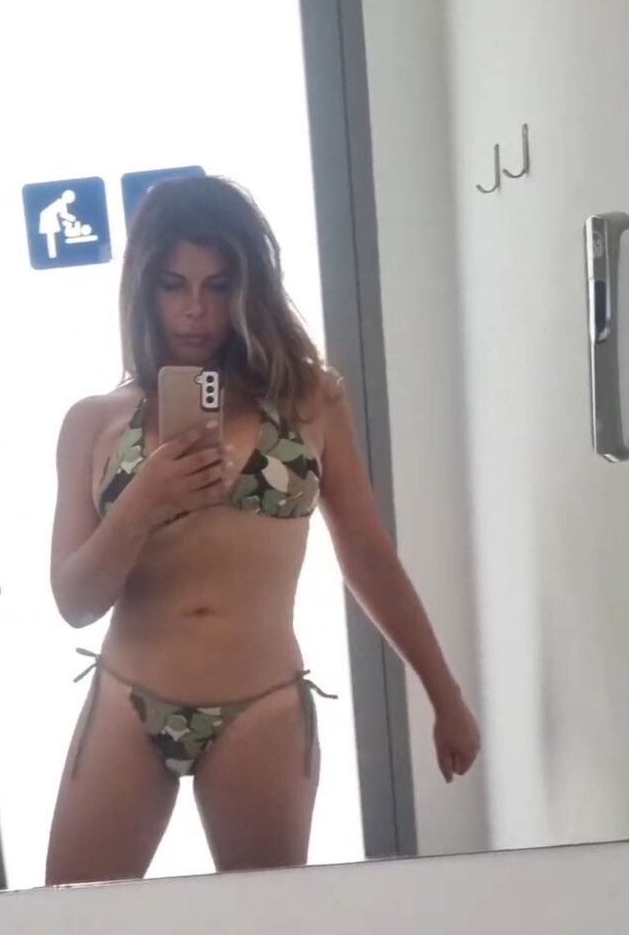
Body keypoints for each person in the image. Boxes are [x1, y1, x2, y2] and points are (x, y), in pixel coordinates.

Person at [46, 175, 479, 883]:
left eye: (218, 285)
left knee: (264, 929)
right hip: (128, 701)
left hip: (261, 709)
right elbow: (75, 601)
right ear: (143, 288)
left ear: (249, 288)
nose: (195, 309)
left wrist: (445, 694)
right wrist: (142, 501)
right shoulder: (93, 422)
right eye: (173, 284)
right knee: (71, 917)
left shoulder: (311, 400)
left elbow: (368, 557)